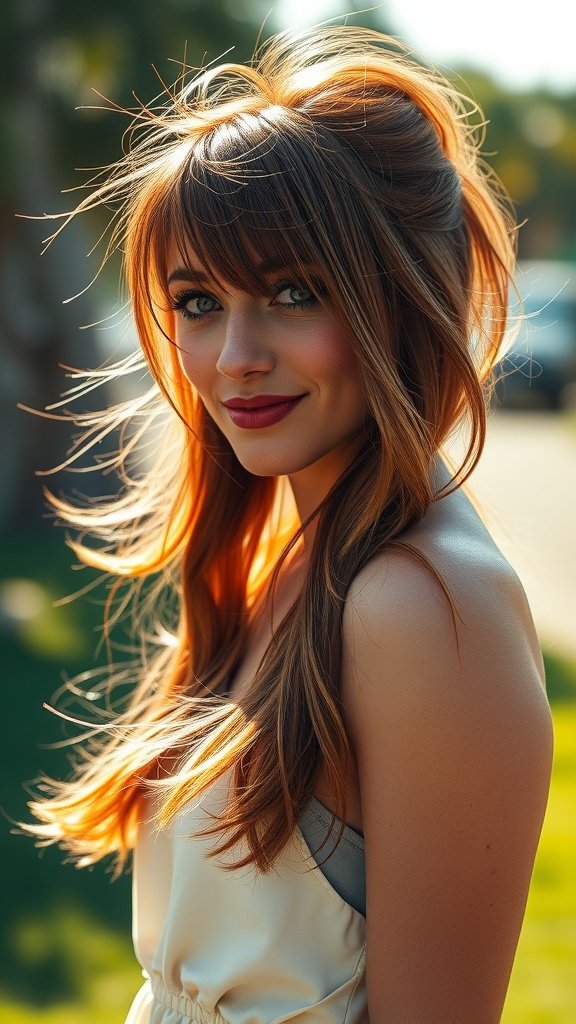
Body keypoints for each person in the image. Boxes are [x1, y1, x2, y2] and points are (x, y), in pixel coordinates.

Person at [25, 24, 554, 1024]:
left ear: (404, 296)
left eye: (293, 292)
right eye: (197, 301)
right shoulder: (302, 555)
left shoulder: (423, 607)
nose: (235, 355)